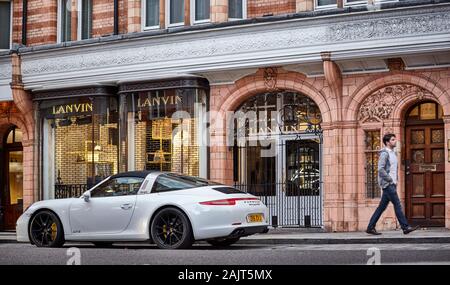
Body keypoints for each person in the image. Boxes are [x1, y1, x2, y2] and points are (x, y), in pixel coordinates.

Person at [366, 133, 420, 235]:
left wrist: (395, 181)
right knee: (397, 204)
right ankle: (405, 227)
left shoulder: (393, 153)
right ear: (387, 142)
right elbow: (380, 169)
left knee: (381, 207)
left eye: (395, 139)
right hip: (388, 184)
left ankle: (370, 227)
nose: (395, 141)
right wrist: (390, 180)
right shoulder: (384, 154)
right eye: (393, 140)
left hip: (392, 183)